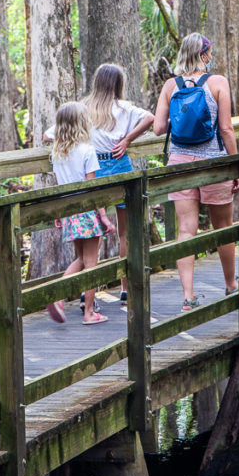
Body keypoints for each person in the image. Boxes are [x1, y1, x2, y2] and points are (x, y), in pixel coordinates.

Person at [153, 33, 239, 307]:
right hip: (213, 162)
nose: (211, 57)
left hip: (179, 163)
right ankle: (230, 285)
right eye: (209, 53)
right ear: (203, 55)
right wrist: (235, 165)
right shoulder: (218, 82)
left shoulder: (170, 86)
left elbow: (158, 129)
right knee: (223, 226)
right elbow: (226, 128)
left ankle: (188, 296)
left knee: (186, 231)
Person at [83, 64, 154, 308]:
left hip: (94, 168)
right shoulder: (124, 108)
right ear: (118, 84)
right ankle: (125, 289)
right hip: (119, 164)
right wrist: (127, 140)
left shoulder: (84, 108)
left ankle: (88, 290)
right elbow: (150, 118)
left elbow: (52, 135)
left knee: (94, 231)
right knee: (124, 232)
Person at [46, 101, 115, 325]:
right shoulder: (87, 151)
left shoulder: (57, 153)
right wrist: (103, 216)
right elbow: (92, 190)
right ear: (82, 123)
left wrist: (59, 213)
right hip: (87, 211)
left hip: (69, 212)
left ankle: (59, 295)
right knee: (91, 263)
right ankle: (87, 312)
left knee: (81, 259)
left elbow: (59, 187)